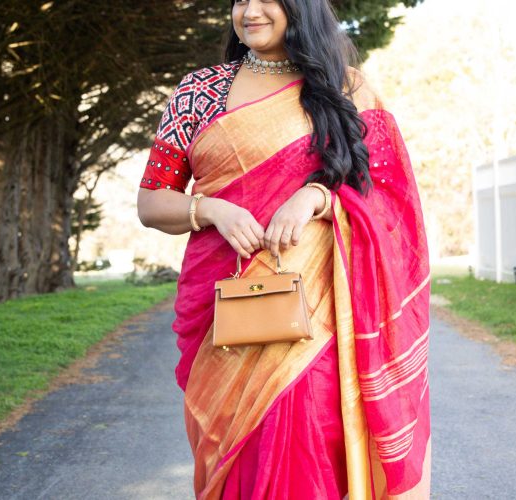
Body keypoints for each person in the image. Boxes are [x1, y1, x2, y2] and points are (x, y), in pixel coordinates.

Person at [136, 0, 432, 498]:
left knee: (314, 440)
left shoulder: (345, 88)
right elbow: (150, 202)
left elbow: (385, 193)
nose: (250, 10)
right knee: (237, 452)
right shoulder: (200, 91)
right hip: (225, 316)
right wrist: (211, 210)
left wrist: (314, 196)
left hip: (322, 323)